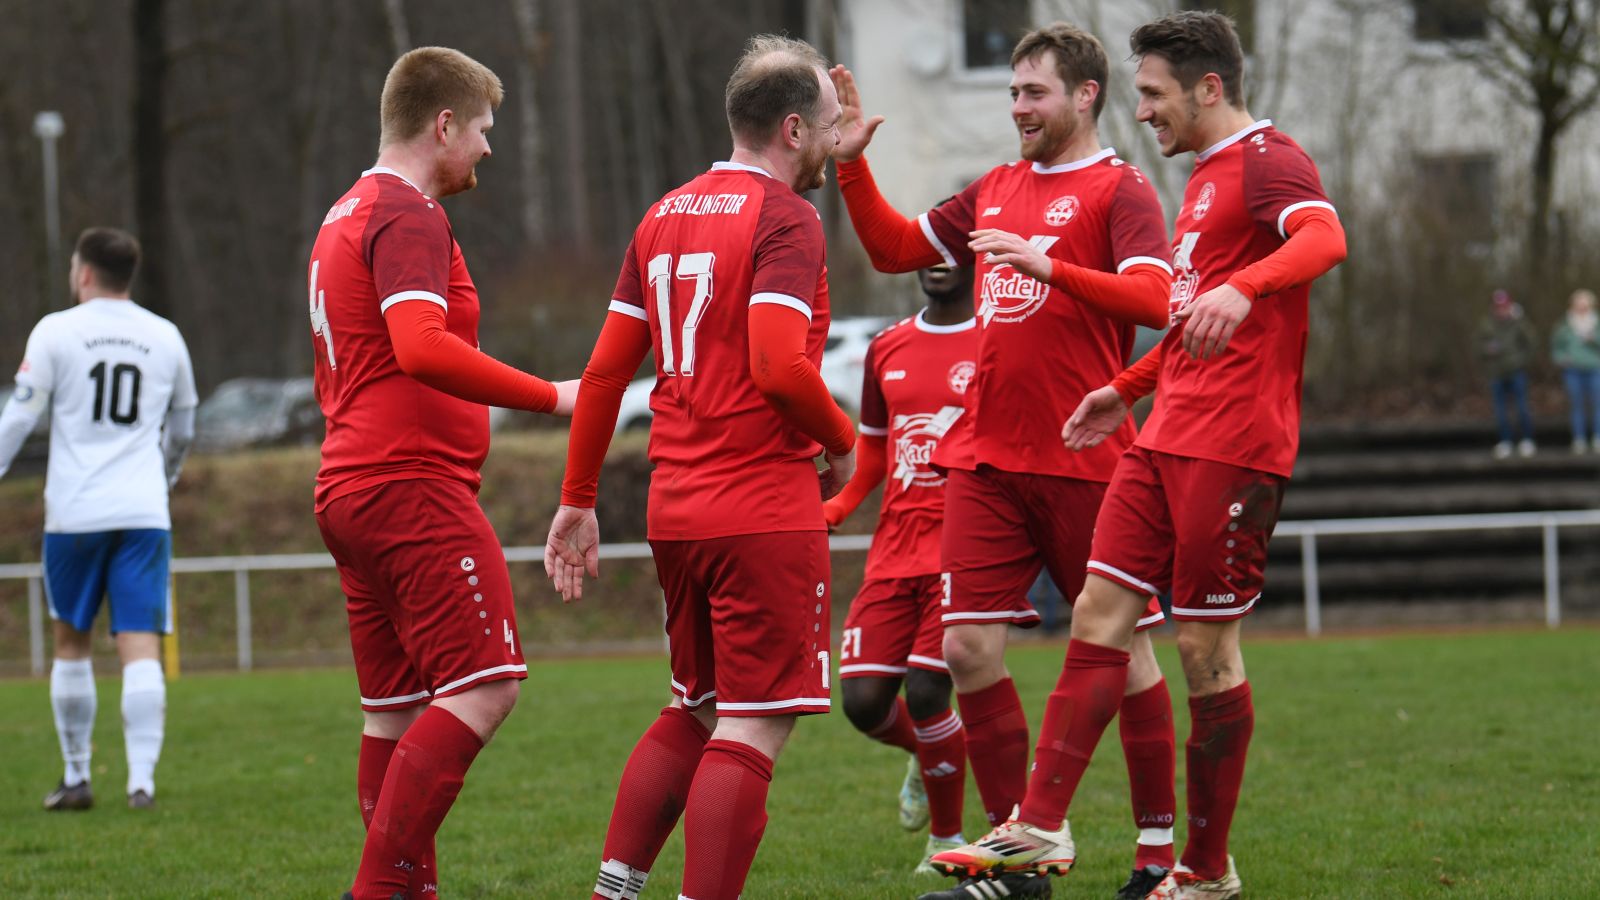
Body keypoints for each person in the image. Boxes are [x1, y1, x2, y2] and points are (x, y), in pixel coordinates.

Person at [944, 12, 1348, 899]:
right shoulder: (1202, 180)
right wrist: (1124, 390)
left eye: (1156, 94)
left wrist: (1247, 288)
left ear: (1210, 88)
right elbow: (1192, 319)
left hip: (1234, 445)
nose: (1144, 111)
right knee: (1098, 611)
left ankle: (1203, 871)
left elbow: (1325, 239)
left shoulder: (1269, 160)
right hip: (1163, 435)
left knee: (1205, 649)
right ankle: (1039, 828)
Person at [830, 23, 1178, 900]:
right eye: (1013, 91)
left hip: (1085, 458)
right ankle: (1017, 862)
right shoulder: (994, 187)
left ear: (1085, 96)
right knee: (966, 649)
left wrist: (1049, 268)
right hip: (984, 458)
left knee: (1128, 653)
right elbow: (895, 249)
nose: (1018, 107)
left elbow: (1155, 299)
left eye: (1034, 92)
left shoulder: (1122, 188)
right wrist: (851, 166)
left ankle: (1157, 857)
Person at [543, 35, 854, 900]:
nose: (836, 141)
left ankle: (614, 891)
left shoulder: (663, 214)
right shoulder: (787, 219)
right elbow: (778, 367)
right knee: (752, 726)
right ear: (793, 129)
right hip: (759, 506)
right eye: (830, 124)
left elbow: (604, 375)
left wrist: (578, 498)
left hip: (675, 508)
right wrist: (844, 440)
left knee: (699, 707)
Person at [308, 46, 577, 900]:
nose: (488, 148)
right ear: (444, 123)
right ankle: (378, 889)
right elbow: (421, 348)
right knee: (487, 688)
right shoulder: (406, 211)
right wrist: (553, 397)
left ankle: (405, 891)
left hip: (353, 485)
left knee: (392, 712)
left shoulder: (344, 211)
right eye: (484, 130)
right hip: (408, 484)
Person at [0, 227, 196, 812]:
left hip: (75, 514)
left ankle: (77, 775)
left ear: (84, 272)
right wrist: (162, 478)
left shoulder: (55, 331)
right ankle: (142, 783)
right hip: (143, 512)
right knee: (140, 645)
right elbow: (184, 426)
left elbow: (20, 416)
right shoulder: (165, 336)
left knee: (71, 642)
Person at [823, 264, 979, 875]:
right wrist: (835, 508)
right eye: (925, 248)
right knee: (863, 702)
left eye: (949, 247)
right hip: (894, 551)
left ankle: (945, 839)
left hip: (963, 551)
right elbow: (874, 453)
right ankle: (928, 752)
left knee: (928, 690)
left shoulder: (996, 338)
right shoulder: (887, 346)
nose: (936, 260)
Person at [1476, 288, 1537, 458]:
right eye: (1498, 306)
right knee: (1500, 411)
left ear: (1509, 305)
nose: (1501, 309)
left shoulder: (1519, 323)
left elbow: (1531, 344)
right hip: (1496, 373)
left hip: (1517, 372)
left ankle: (1527, 440)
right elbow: (1478, 347)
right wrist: (1487, 351)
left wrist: (1521, 361)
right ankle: (1506, 441)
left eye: (1504, 306)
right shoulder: (1486, 324)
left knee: (1522, 407)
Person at [1550, 288, 1599, 453]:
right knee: (1576, 405)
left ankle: (1597, 437)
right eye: (1579, 305)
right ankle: (1579, 439)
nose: (1582, 308)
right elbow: (1556, 346)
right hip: (1572, 371)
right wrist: (1561, 358)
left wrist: (1594, 339)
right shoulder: (1564, 324)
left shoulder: (1597, 323)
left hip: (1594, 368)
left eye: (1585, 305)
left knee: (1597, 404)